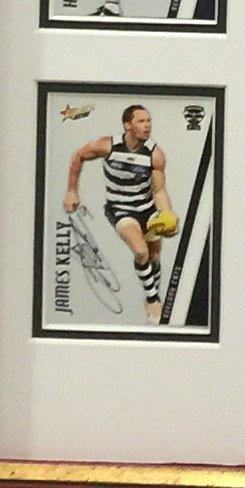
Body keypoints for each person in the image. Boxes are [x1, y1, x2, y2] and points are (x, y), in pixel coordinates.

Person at [63, 102, 177, 324]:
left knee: (154, 257)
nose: (147, 125)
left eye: (149, 121)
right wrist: (71, 190)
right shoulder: (108, 145)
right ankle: (153, 299)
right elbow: (79, 155)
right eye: (141, 121)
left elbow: (159, 190)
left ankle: (152, 288)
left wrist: (166, 214)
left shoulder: (154, 154)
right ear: (127, 125)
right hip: (121, 210)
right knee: (141, 252)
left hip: (147, 209)